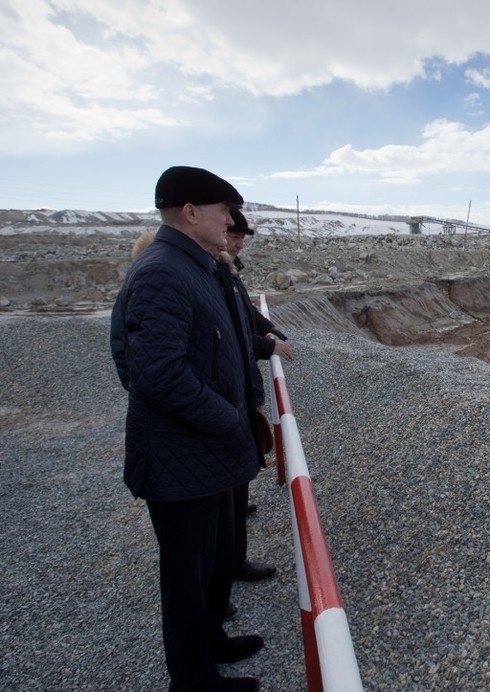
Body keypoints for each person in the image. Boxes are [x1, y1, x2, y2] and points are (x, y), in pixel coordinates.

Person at [110, 165, 265, 692]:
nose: (230, 221)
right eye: (224, 211)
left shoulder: (196, 266)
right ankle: (194, 681)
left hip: (207, 455)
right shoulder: (162, 272)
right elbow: (156, 374)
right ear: (192, 212)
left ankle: (212, 642)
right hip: (183, 457)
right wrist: (228, 417)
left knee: (212, 562)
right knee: (186, 575)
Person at [219, 208, 293, 583]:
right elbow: (232, 335)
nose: (239, 243)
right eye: (235, 235)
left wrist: (274, 333)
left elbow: (247, 316)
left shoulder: (227, 273)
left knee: (236, 473)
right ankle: (229, 569)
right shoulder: (206, 274)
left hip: (237, 392)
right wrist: (267, 345)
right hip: (226, 401)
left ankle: (232, 555)